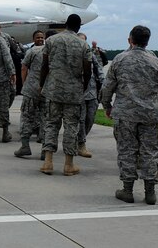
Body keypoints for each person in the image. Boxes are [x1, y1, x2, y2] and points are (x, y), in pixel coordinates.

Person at [101, 25, 158, 205]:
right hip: (150, 114)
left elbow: (107, 87)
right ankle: (150, 192)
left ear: (130, 40)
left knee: (127, 151)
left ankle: (127, 190)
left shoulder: (120, 59)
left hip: (126, 114)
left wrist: (107, 105)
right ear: (147, 41)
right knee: (149, 152)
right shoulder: (155, 61)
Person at [40, 14, 92, 176]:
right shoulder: (83, 44)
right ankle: (68, 164)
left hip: (54, 89)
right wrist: (82, 86)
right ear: (79, 27)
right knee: (71, 127)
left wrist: (43, 84)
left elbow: (44, 65)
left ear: (65, 24)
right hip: (73, 91)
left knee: (51, 124)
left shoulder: (51, 41)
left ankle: (48, 161)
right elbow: (88, 69)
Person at [15, 30, 46, 158]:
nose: (40, 39)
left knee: (27, 116)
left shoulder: (31, 51)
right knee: (46, 118)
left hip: (32, 88)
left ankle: (25, 145)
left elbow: (24, 68)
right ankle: (45, 149)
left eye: (42, 37)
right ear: (34, 39)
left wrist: (24, 83)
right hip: (44, 89)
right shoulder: (48, 51)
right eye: (38, 37)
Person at [76, 32, 105, 159]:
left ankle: (79, 139)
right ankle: (81, 144)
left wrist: (104, 86)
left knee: (90, 119)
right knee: (81, 120)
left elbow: (99, 70)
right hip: (78, 92)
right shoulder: (73, 55)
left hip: (92, 92)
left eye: (84, 41)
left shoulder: (91, 55)